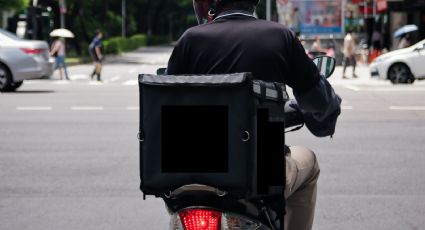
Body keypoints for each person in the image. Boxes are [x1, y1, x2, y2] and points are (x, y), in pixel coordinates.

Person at [167, 1, 341, 229]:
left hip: (192, 177)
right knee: (309, 163)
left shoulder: (190, 39)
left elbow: (168, 109)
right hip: (262, 175)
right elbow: (319, 103)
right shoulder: (280, 36)